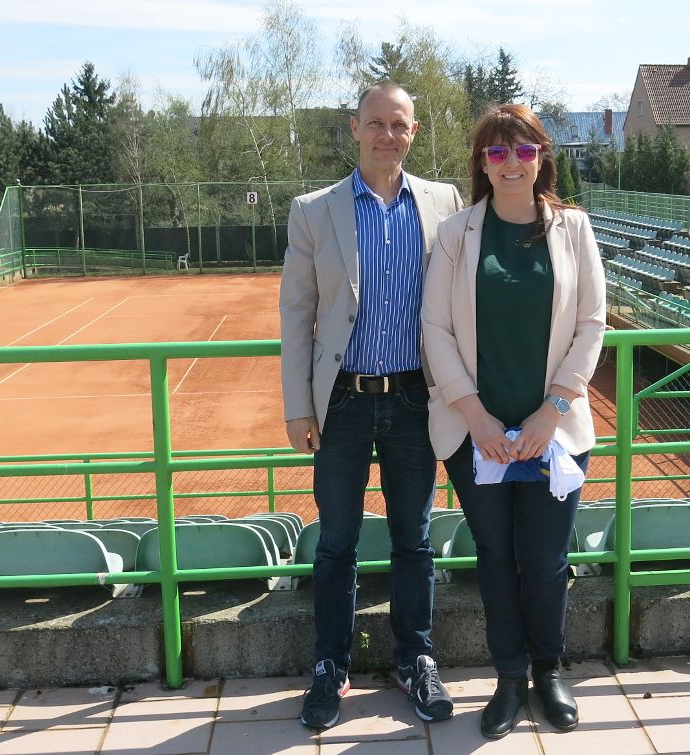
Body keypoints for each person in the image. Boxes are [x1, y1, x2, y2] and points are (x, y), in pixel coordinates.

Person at [279, 80, 465, 730]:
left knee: (415, 538)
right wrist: (299, 407)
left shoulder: (445, 202)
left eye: (401, 124)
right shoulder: (314, 210)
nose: (389, 134)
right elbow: (297, 312)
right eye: (377, 122)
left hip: (418, 398)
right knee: (336, 541)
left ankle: (415, 657)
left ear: (414, 132)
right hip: (343, 401)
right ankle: (330, 664)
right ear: (355, 127)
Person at [421, 104, 607, 740]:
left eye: (522, 150)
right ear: (481, 161)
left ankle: (549, 671)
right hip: (478, 438)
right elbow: (435, 330)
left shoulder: (574, 229)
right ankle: (508, 678)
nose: (510, 163)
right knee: (496, 557)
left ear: (541, 158)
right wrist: (475, 417)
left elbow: (591, 324)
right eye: (496, 152)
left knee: (548, 560)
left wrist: (550, 411)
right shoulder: (456, 234)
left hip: (553, 434)